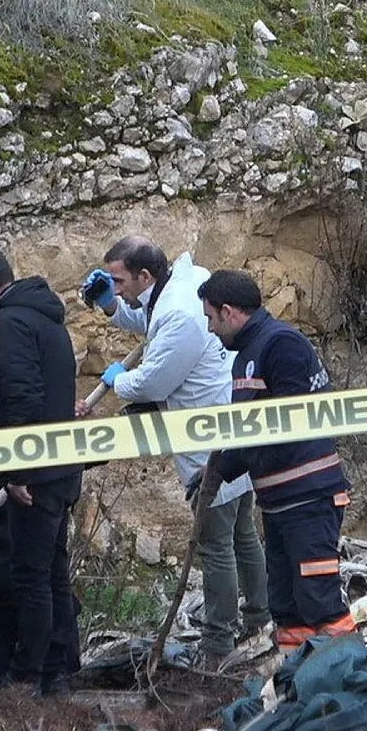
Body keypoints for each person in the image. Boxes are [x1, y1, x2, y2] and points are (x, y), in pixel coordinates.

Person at [80, 237, 267, 667]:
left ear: (145, 276)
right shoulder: (182, 286)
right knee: (243, 534)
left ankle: (219, 643)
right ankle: (260, 619)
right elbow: (152, 323)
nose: (116, 286)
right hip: (228, 426)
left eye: (119, 281)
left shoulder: (180, 313)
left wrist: (117, 380)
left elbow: (153, 383)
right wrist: (112, 306)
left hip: (208, 442)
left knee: (216, 544)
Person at [197, 270, 355, 652]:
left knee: (319, 600)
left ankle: (349, 673)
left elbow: (288, 426)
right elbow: (253, 431)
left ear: (229, 312)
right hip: (279, 502)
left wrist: (230, 465)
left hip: (308, 497)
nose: (210, 329)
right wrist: (219, 470)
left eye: (211, 318)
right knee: (286, 606)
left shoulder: (282, 345)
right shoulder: (246, 357)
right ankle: (298, 678)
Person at [0, 247, 83, 696]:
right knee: (53, 574)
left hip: (37, 474)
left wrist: (18, 472)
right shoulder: (47, 319)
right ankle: (58, 672)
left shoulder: (10, 324)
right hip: (60, 467)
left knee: (31, 577)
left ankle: (28, 676)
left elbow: (21, 399)